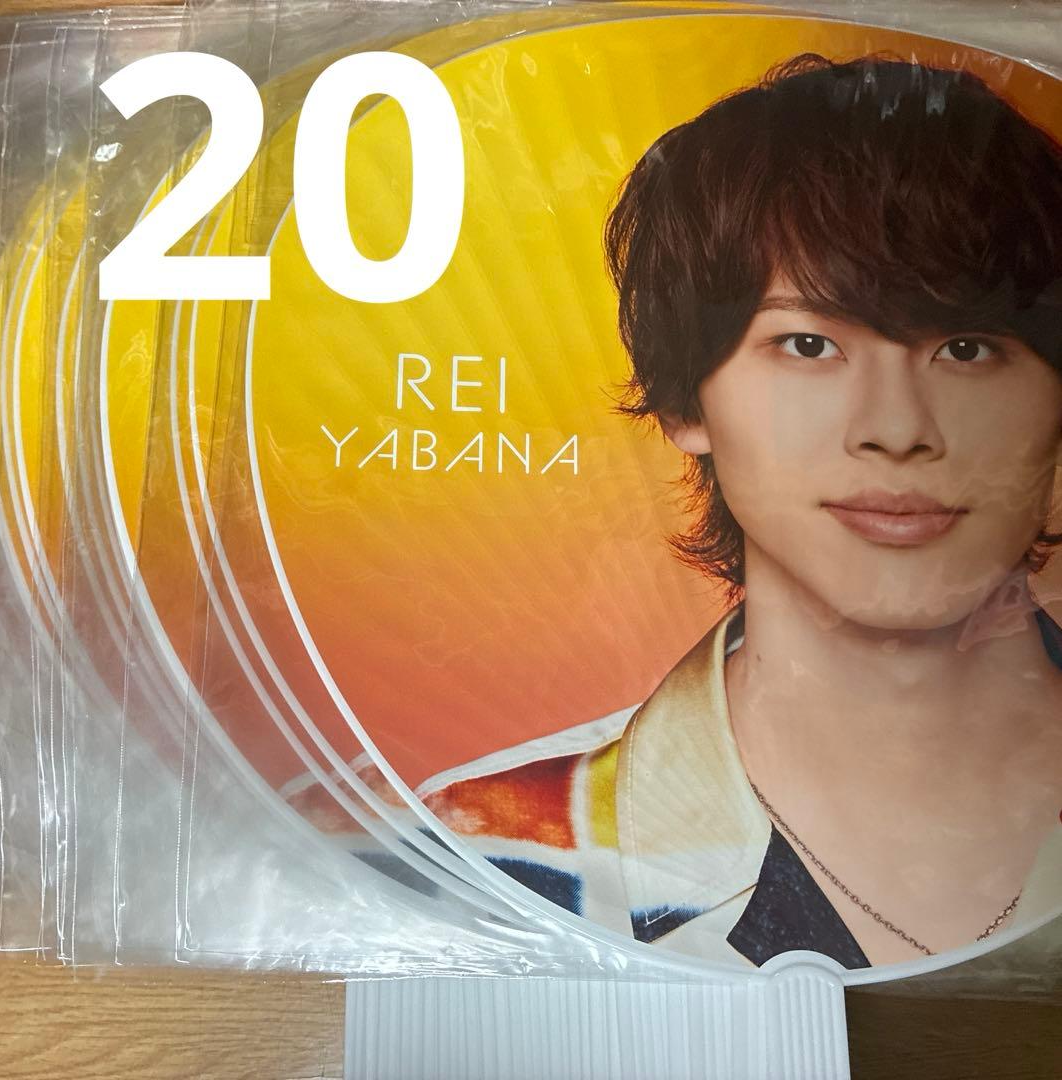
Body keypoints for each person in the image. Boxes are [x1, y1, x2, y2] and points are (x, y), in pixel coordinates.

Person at [300, 52, 1062, 969]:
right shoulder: (481, 855)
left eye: (967, 348)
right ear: (685, 400)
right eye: (808, 344)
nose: (897, 429)